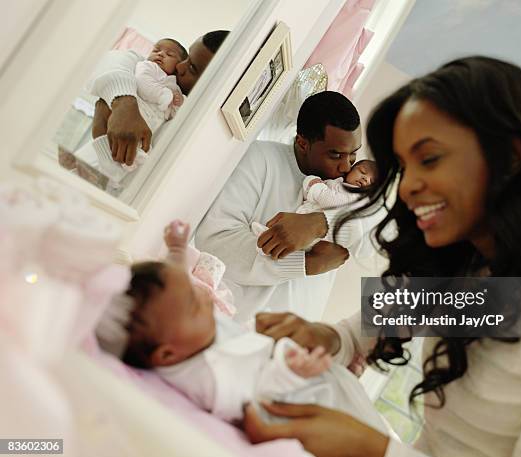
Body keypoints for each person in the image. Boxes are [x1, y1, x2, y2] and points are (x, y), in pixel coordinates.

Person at [242, 56, 521, 457]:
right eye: (405, 166)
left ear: (510, 156)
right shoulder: (472, 264)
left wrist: (372, 449)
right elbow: (355, 336)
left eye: (430, 159)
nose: (409, 188)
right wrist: (320, 337)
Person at [115, 220, 388, 433]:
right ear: (166, 354)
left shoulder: (188, 332)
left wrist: (176, 249)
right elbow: (259, 400)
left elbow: (426, 296)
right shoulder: (207, 374)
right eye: (191, 303)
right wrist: (326, 348)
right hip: (316, 394)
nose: (201, 294)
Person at [195, 91, 384, 323]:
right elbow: (216, 243)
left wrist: (320, 224)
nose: (345, 167)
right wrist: (306, 263)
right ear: (303, 143)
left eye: (353, 156)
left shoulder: (351, 191)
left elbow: (380, 238)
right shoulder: (260, 158)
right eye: (335, 155)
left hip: (291, 345)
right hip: (229, 328)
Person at [89, 30, 230, 167]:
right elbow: (109, 60)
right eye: (186, 57)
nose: (180, 66)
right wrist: (123, 103)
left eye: (192, 68)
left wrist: (102, 124)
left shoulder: (194, 131)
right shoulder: (157, 71)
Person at [75, 38, 188, 187]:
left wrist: (178, 102)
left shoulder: (172, 84)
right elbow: (143, 83)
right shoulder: (147, 66)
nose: (160, 54)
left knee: (133, 150)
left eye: (169, 54)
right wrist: (165, 95)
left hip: (149, 124)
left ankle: (122, 167)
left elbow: (175, 109)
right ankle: (114, 167)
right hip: (136, 113)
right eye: (156, 50)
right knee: (113, 142)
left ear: (178, 65)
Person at [251, 159, 378, 251]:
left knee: (294, 238)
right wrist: (311, 182)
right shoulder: (337, 182)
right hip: (306, 211)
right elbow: (311, 188)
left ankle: (268, 242)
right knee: (286, 228)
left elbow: (332, 202)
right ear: (351, 170)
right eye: (362, 172)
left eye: (371, 182)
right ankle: (267, 235)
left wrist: (316, 188)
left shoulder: (357, 197)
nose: (365, 179)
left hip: (319, 229)